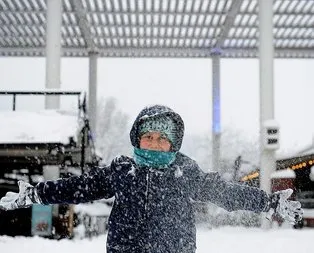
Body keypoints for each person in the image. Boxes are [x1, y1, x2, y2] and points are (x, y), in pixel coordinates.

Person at [0, 105, 303, 253]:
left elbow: (224, 193)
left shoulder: (186, 173)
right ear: (137, 139)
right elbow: (82, 187)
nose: (156, 143)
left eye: (163, 138)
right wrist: (37, 193)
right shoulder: (123, 170)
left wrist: (269, 202)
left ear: (174, 143)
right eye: (149, 136)